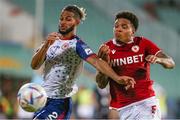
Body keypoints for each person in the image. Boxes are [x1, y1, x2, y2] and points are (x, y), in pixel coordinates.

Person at [30, 5, 135, 119]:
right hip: (43, 99)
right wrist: (45, 45)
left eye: (68, 19)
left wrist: (117, 78)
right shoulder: (51, 40)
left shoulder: (77, 45)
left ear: (77, 22)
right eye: (61, 18)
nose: (63, 22)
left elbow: (96, 62)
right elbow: (34, 65)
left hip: (60, 102)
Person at [96, 11, 175, 120]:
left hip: (146, 102)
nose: (118, 29)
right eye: (116, 26)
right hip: (124, 107)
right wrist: (104, 65)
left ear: (133, 30)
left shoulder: (143, 43)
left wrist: (159, 59)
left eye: (124, 27)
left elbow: (170, 63)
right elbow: (101, 84)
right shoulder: (106, 49)